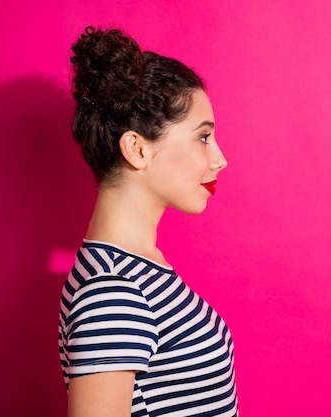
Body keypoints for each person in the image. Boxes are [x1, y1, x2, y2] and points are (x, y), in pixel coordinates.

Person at [57, 26, 237, 417]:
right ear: (137, 149)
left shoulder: (138, 268)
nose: (219, 159)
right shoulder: (113, 292)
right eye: (203, 138)